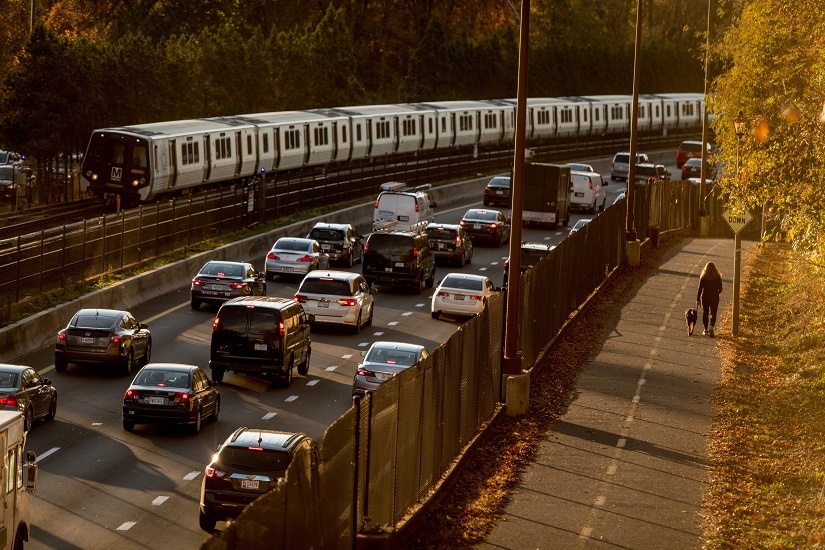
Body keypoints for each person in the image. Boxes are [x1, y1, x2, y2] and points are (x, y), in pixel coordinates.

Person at [696, 261, 723, 337]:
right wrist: (716, 293)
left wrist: (698, 299)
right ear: (715, 269)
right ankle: (711, 327)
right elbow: (720, 289)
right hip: (714, 296)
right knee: (713, 313)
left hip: (705, 297)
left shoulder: (703, 277)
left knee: (705, 312)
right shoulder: (717, 277)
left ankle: (705, 329)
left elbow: (700, 289)